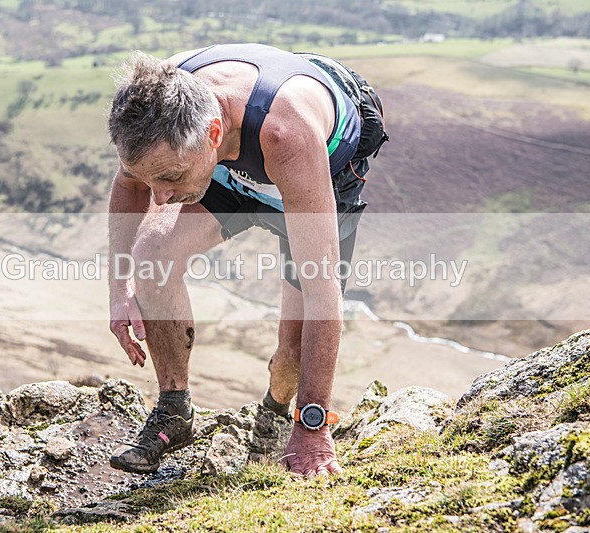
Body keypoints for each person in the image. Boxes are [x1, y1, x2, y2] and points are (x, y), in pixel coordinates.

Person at [106, 43, 387, 477]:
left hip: (315, 164)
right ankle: (174, 410)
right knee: (151, 255)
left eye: (170, 179)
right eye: (151, 178)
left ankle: (276, 416)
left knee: (291, 351)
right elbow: (131, 187)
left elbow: (321, 290)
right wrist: (119, 290)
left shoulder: (287, 134)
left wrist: (313, 426)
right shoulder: (157, 105)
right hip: (227, 160)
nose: (159, 195)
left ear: (213, 135)